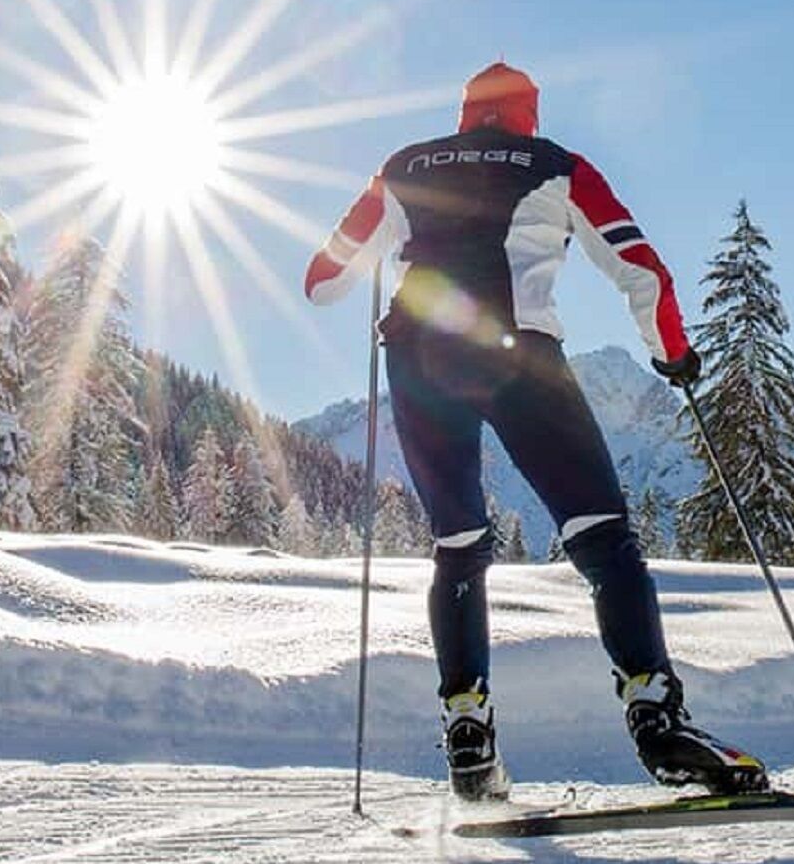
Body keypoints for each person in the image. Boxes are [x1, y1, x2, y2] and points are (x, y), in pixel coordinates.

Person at [305, 61, 766, 802]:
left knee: (457, 547)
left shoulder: (403, 166)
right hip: (520, 358)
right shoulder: (557, 166)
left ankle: (467, 730)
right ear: (528, 113)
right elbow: (642, 270)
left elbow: (324, 282)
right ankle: (657, 718)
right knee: (604, 539)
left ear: (463, 114)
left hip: (418, 363)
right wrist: (673, 354)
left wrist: (383, 254)